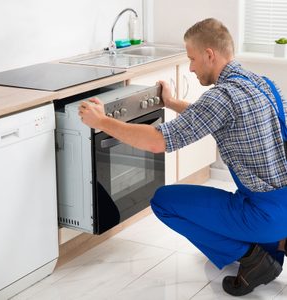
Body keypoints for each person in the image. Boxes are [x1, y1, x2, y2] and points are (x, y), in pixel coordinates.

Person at [78, 18, 287, 296]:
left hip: (264, 214)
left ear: (209, 54)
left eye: (191, 58)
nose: (190, 67)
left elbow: (157, 141)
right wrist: (172, 102)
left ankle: (253, 256)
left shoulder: (222, 97)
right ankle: (274, 243)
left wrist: (102, 121)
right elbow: (211, 118)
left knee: (164, 201)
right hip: (282, 207)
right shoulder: (263, 84)